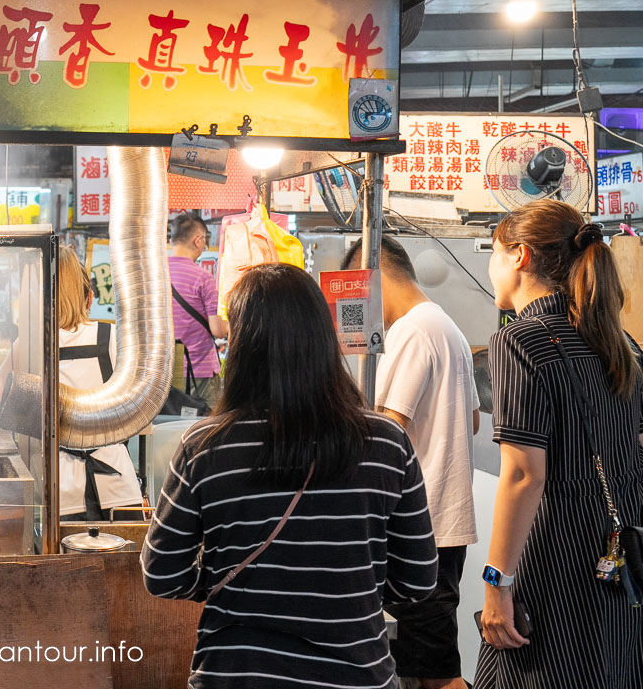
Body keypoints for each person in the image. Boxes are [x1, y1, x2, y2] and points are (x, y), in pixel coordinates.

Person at [142, 263, 438, 689]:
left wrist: (227, 575)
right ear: (323, 336)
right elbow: (418, 580)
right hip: (356, 676)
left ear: (242, 345)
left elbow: (162, 576)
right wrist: (349, 587)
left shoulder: (205, 446)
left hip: (238, 675)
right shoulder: (386, 443)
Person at [475, 200, 643, 688]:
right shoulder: (620, 342)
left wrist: (497, 583)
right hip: (618, 557)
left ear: (520, 256)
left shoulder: (520, 341)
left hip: (554, 555)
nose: (492, 264)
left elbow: (525, 474)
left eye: (494, 251)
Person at [342, 235, 479, 689]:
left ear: (373, 276)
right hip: (442, 524)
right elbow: (474, 421)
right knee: (422, 671)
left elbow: (387, 430)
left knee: (437, 676)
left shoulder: (411, 331)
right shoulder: (445, 325)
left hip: (421, 532)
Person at [54, 246, 144, 520]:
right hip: (118, 483)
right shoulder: (112, 336)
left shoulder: (31, 343)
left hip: (60, 488)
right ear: (89, 297)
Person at [169, 212, 227, 406]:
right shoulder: (204, 279)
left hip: (165, 373)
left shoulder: (154, 276)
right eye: (205, 240)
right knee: (204, 428)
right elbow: (218, 330)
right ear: (197, 240)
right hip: (199, 372)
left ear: (172, 240)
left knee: (166, 429)